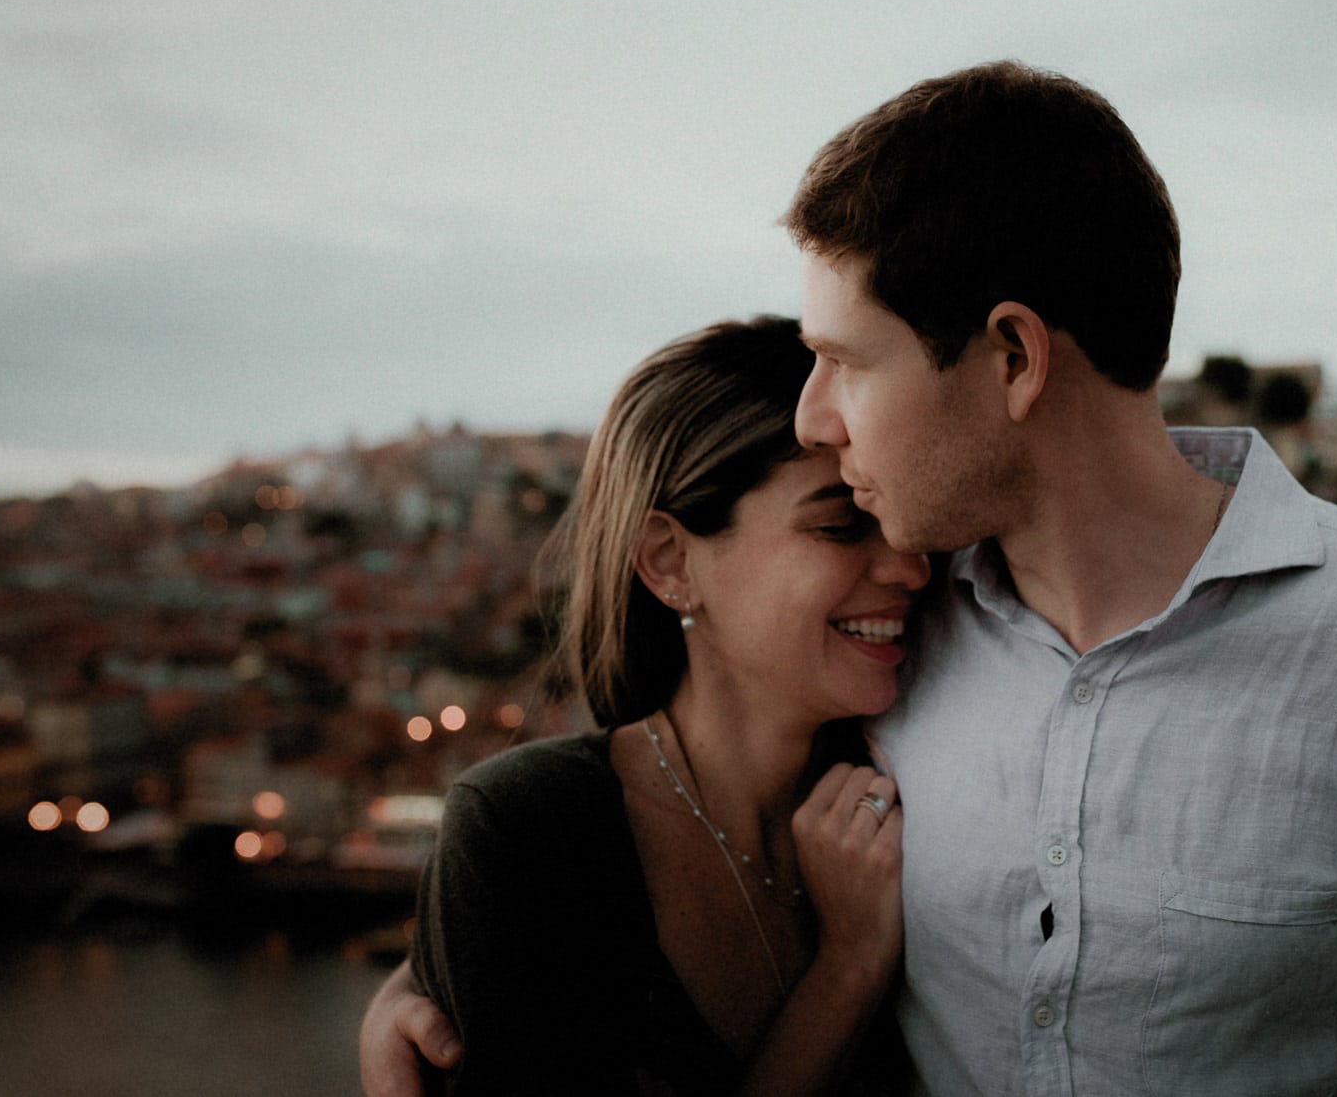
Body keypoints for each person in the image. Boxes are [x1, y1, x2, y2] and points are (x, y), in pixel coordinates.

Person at [365, 63, 1337, 1095]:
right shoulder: (898, 654)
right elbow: (635, 830)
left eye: (845, 361)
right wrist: (446, 972)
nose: (817, 414)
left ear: (1009, 355)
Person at [370, 315, 931, 1096]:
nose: (908, 566)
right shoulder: (527, 833)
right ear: (671, 561)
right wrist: (846, 968)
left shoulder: (923, 787)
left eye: (901, 517)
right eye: (841, 524)